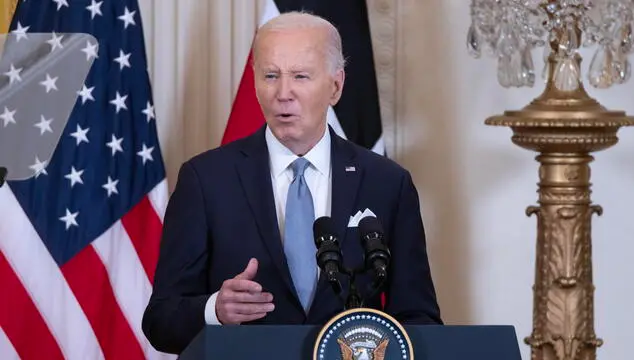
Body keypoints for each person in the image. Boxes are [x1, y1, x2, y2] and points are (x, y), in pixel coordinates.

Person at [142, 11, 442, 355]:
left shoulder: (387, 183)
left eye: (300, 76)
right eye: (271, 75)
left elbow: (420, 317)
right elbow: (160, 320)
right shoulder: (206, 180)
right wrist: (215, 310)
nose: (283, 93)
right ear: (255, 83)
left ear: (335, 85)